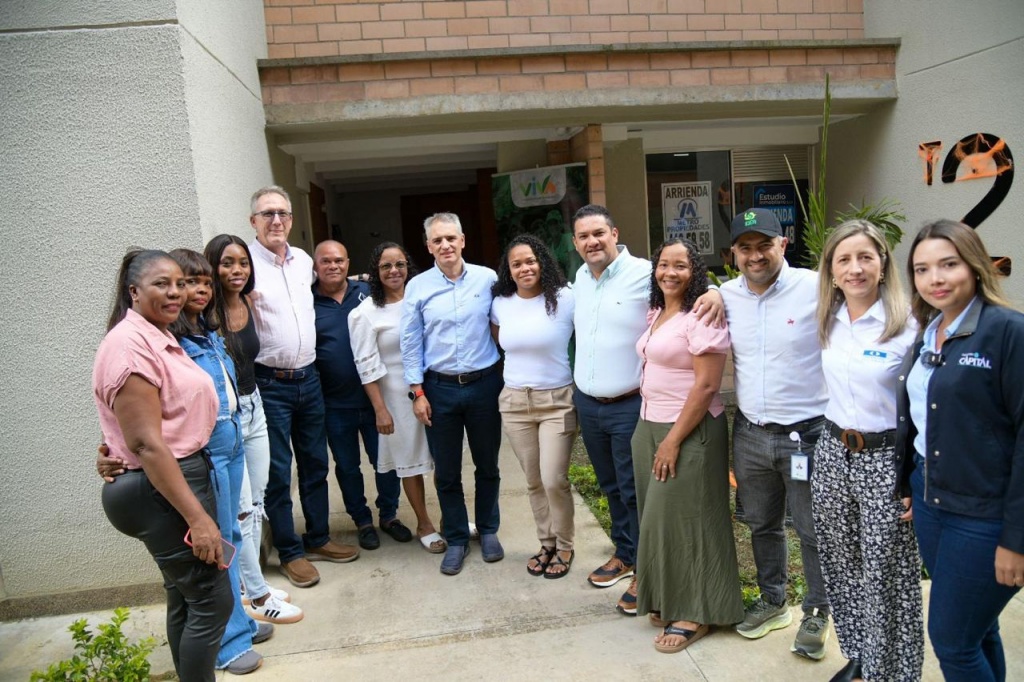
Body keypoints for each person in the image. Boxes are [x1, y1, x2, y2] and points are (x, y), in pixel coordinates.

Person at [571, 203, 723, 614]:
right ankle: (626, 553)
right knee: (612, 487)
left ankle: (646, 569)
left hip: (630, 404)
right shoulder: (581, 279)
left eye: (599, 233)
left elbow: (691, 286)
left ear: (615, 233)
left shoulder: (645, 270)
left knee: (637, 491)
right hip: (589, 402)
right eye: (583, 236)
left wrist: (715, 290)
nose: (592, 242)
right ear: (575, 243)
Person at [93, 250, 231, 682]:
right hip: (162, 487)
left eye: (180, 283)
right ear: (133, 291)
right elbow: (147, 445)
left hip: (168, 479)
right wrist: (199, 519)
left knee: (185, 597)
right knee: (211, 600)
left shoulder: (157, 335)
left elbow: (141, 425)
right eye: (161, 284)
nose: (176, 292)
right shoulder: (130, 346)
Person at [897, 219, 1024, 682]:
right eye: (922, 268)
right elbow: (919, 423)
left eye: (948, 264)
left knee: (951, 640)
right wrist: (908, 483)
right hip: (933, 508)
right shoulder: (929, 333)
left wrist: (1016, 539)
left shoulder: (1008, 332)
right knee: (979, 630)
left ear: (974, 265)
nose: (936, 278)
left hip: (986, 517)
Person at [811, 221, 922, 682]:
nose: (855, 268)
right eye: (844, 259)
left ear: (882, 265)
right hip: (834, 453)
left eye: (865, 258)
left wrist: (915, 478)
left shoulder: (910, 323)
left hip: (886, 460)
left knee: (887, 574)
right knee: (842, 564)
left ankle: (893, 672)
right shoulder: (827, 318)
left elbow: (923, 406)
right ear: (832, 271)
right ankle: (860, 658)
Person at [720, 208, 831, 660]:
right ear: (733, 254)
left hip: (807, 434)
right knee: (761, 523)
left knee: (811, 529)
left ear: (782, 243)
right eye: (745, 248)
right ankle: (773, 600)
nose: (755, 255)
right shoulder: (725, 294)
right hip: (749, 433)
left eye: (763, 244)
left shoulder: (816, 287)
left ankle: (818, 610)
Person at [632, 238, 744, 653]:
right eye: (663, 264)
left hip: (688, 430)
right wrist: (652, 435)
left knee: (691, 520)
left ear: (694, 271)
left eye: (680, 266)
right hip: (649, 425)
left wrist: (673, 440)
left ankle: (696, 612)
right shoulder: (658, 312)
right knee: (659, 521)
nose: (670, 272)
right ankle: (670, 598)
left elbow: (708, 384)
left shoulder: (703, 315)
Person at [248, 186, 359, 589]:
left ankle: (318, 538)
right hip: (270, 382)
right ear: (254, 222)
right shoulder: (247, 264)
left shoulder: (303, 262)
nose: (276, 220)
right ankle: (290, 552)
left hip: (309, 380)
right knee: (278, 472)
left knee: (315, 463)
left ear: (292, 220)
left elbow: (332, 282)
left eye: (282, 213)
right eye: (267, 214)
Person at [204, 235, 303, 626]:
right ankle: (259, 596)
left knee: (258, 500)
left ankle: (249, 582)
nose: (237, 271)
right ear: (213, 267)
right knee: (241, 510)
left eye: (243, 263)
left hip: (255, 405)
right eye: (227, 263)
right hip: (225, 417)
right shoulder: (204, 314)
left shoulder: (246, 300)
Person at [400, 212, 504, 576]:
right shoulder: (418, 287)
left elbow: (505, 322)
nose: (445, 245)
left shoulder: (488, 279)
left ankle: (488, 530)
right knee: (446, 470)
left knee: (487, 463)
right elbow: (410, 342)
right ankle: (458, 537)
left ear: (462, 240)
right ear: (428, 247)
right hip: (439, 389)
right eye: (437, 240)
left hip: (484, 385)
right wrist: (417, 393)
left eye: (451, 238)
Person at [313, 240, 412, 550]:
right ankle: (362, 520)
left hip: (376, 399)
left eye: (339, 260)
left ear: (348, 263)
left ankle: (389, 515)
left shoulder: (368, 293)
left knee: (386, 460)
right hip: (334, 403)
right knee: (347, 466)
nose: (333, 266)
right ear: (316, 267)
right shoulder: (307, 303)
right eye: (326, 261)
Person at [490, 234, 577, 578]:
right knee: (533, 480)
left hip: (557, 401)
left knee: (553, 478)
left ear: (542, 262)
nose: (525, 268)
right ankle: (547, 543)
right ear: (508, 270)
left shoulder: (566, 298)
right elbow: (501, 341)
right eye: (517, 263)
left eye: (530, 261)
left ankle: (566, 545)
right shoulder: (501, 304)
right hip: (515, 402)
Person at [348, 242, 443, 553]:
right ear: (375, 272)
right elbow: (366, 364)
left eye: (399, 264)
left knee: (445, 458)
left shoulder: (422, 300)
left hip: (435, 389)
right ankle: (424, 523)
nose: (394, 271)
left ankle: (452, 519)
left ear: (408, 267)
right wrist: (380, 409)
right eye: (386, 266)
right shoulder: (365, 313)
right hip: (396, 396)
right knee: (411, 462)